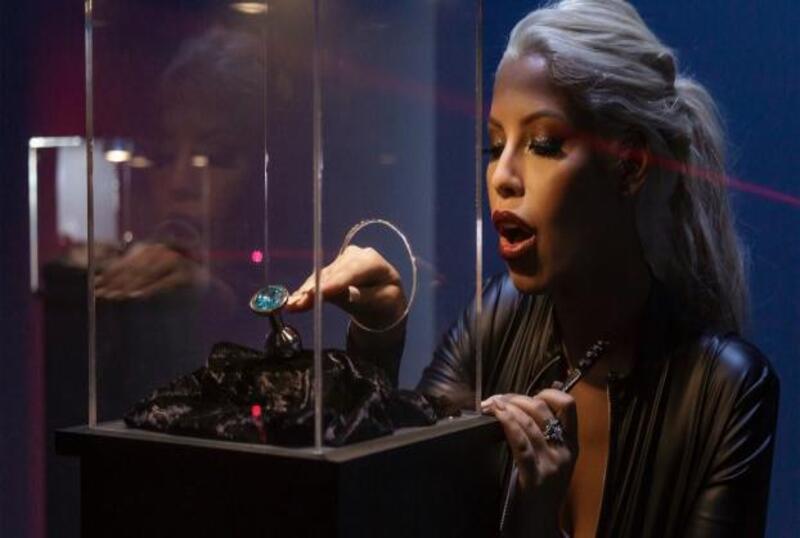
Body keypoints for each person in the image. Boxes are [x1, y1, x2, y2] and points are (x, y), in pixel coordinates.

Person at [285, 1, 779, 536]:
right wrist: (378, 339)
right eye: (495, 145)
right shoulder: (497, 317)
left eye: (543, 144)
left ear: (630, 165)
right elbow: (403, 498)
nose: (502, 175)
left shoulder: (726, 391)